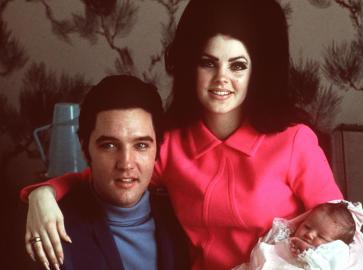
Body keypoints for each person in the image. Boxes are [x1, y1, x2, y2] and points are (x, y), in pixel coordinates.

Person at [20, 0, 345, 269]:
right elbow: (100, 174)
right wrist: (42, 195)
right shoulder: (171, 145)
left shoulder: (294, 142)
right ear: (191, 66)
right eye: (208, 63)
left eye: (237, 66)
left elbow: (342, 232)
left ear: (256, 72)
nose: (221, 78)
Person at [25, 75, 188, 270]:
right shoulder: (50, 228)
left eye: (141, 145)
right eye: (109, 145)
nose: (126, 163)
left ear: (158, 150)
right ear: (86, 150)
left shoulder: (182, 216)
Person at [234, 201, 363, 270]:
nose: (310, 234)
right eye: (307, 226)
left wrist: (308, 253)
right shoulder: (288, 236)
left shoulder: (337, 253)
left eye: (321, 236)